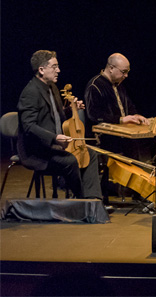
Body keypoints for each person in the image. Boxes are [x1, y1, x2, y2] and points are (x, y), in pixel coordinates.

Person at [16, 50, 102, 200]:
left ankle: (94, 200)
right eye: (54, 67)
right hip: (37, 151)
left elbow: (57, 117)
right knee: (70, 160)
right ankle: (83, 200)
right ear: (41, 70)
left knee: (91, 154)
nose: (59, 70)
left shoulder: (53, 87)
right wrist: (54, 138)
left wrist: (71, 109)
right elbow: (29, 126)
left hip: (55, 146)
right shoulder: (30, 92)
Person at [84, 53, 156, 181]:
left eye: (127, 72)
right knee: (131, 143)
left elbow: (129, 107)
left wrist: (136, 116)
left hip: (125, 133)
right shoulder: (95, 86)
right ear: (111, 68)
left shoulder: (119, 85)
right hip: (108, 137)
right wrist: (120, 119)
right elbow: (94, 114)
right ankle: (139, 189)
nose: (126, 76)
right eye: (124, 72)